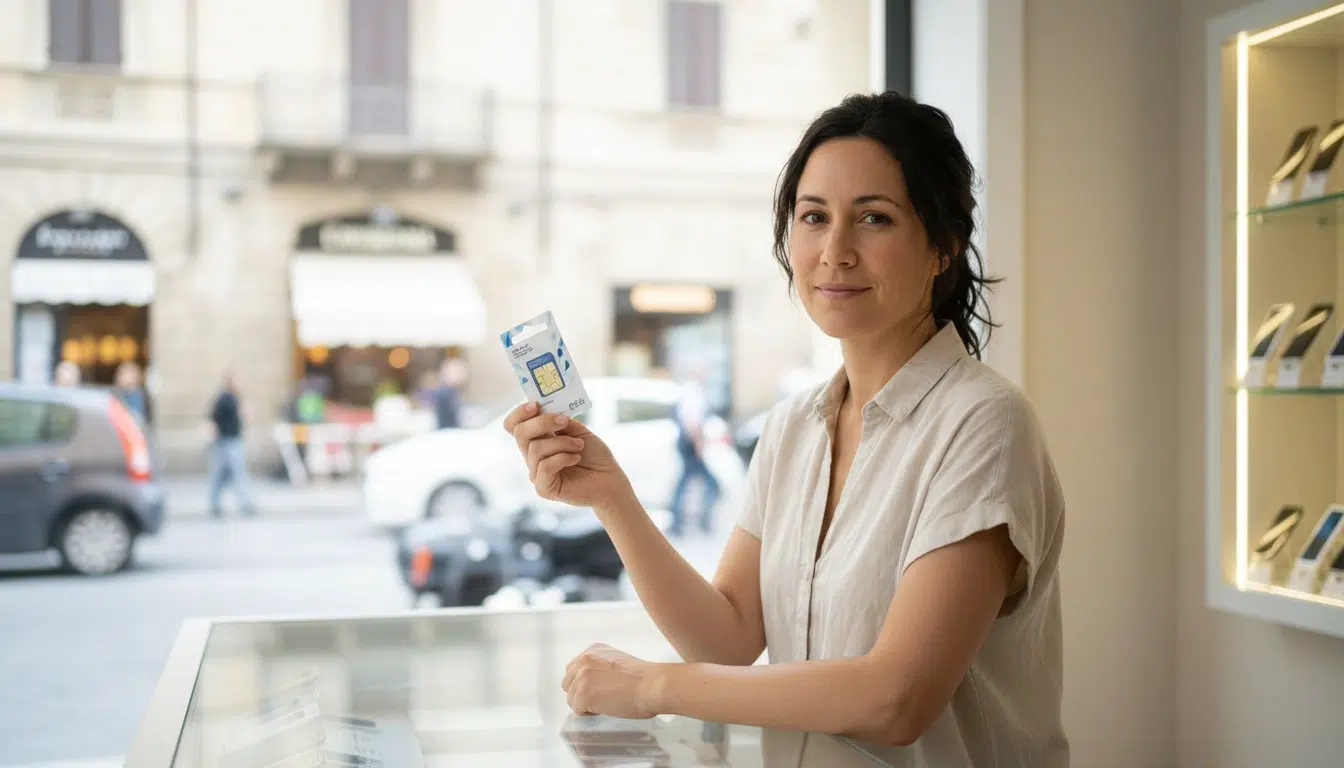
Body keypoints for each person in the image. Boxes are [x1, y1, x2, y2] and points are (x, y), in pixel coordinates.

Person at [502, 91, 1067, 766]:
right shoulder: (795, 427)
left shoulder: (983, 424)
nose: (835, 251)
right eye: (813, 217)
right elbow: (730, 639)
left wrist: (655, 685)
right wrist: (611, 497)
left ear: (943, 246)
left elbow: (897, 700)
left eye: (875, 219)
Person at [668, 375, 720, 536]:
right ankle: (701, 520)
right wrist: (699, 444)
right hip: (691, 443)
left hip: (688, 442)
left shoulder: (688, 391)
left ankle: (683, 521)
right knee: (712, 485)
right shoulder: (694, 392)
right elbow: (693, 422)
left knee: (686, 481)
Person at [207, 372, 257, 517]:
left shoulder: (232, 398)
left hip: (229, 440)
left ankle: (216, 503)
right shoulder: (225, 398)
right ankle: (244, 503)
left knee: (222, 475)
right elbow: (214, 417)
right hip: (228, 440)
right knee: (236, 473)